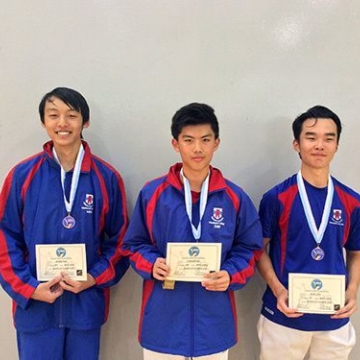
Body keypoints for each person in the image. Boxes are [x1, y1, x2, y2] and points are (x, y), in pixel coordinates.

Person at [122, 102, 263, 359]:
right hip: (163, 324)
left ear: (216, 143)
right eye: (189, 140)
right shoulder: (153, 194)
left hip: (213, 325)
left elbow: (250, 249)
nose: (197, 148)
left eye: (205, 140)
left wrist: (230, 274)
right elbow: (133, 245)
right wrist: (152, 264)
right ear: (176, 144)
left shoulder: (234, 198)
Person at [0, 87, 129, 360]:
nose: (62, 123)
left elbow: (121, 241)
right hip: (34, 308)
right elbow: (4, 236)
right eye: (53, 115)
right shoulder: (23, 176)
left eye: (71, 115)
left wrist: (92, 278)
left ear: (85, 122)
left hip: (84, 307)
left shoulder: (106, 178)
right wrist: (29, 288)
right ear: (43, 122)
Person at [257, 105, 360, 359]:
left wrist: (352, 290)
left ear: (337, 145)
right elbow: (258, 250)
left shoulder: (352, 201)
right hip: (284, 316)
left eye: (329, 138)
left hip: (334, 319)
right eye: (311, 137)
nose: (320, 145)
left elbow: (356, 253)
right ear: (297, 144)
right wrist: (279, 290)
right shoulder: (276, 198)